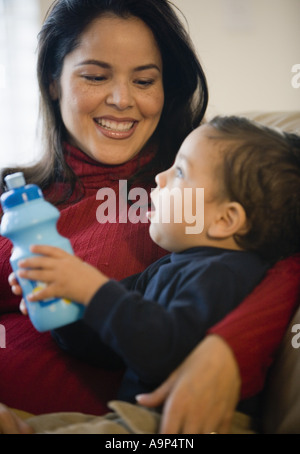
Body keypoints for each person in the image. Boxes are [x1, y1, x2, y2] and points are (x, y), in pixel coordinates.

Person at [0, 0, 299, 434]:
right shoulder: (15, 196)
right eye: (96, 76)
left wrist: (226, 350)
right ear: (52, 81)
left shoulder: (195, 202)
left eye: (144, 80)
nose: (122, 99)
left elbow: (281, 254)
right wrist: (63, 303)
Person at [4, 115, 300, 434]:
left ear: (225, 220)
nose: (160, 178)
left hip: (190, 423)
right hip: (134, 418)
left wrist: (92, 289)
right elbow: (112, 346)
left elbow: (166, 352)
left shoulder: (226, 276)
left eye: (181, 172)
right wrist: (66, 307)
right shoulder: (170, 266)